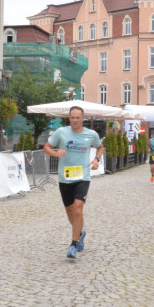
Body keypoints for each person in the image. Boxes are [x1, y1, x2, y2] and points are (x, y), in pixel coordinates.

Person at [43, 105, 104, 259]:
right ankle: (80, 232)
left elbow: (100, 147)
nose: (75, 120)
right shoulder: (61, 132)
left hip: (82, 176)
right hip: (65, 177)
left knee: (78, 209)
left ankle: (73, 244)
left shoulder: (91, 134)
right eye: (72, 117)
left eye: (78, 117)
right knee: (70, 212)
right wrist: (55, 153)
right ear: (69, 118)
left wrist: (96, 159)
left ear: (83, 119)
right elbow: (46, 147)